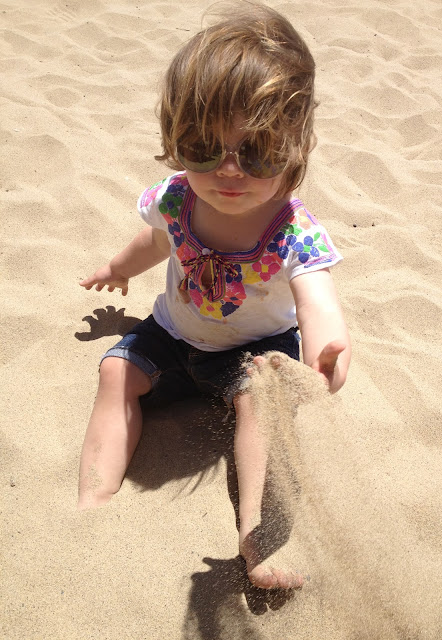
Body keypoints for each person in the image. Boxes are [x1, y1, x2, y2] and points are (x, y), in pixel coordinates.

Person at [78, 2, 351, 590]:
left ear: (295, 150)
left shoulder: (293, 233)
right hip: (173, 334)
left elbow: (316, 301)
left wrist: (325, 355)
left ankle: (256, 542)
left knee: (259, 403)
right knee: (115, 372)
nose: (229, 170)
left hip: (254, 352)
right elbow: (158, 241)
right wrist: (117, 268)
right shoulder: (178, 198)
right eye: (204, 146)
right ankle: (90, 505)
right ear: (175, 138)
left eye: (258, 153)